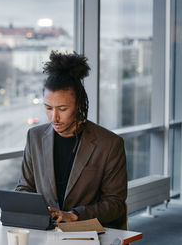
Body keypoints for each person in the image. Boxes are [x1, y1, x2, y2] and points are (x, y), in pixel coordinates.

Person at [16, 51, 127, 229]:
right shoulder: (35, 137)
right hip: (45, 232)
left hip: (87, 231)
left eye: (62, 108)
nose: (54, 117)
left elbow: (115, 204)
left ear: (79, 105)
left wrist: (74, 215)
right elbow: (24, 188)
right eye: (48, 108)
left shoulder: (109, 144)